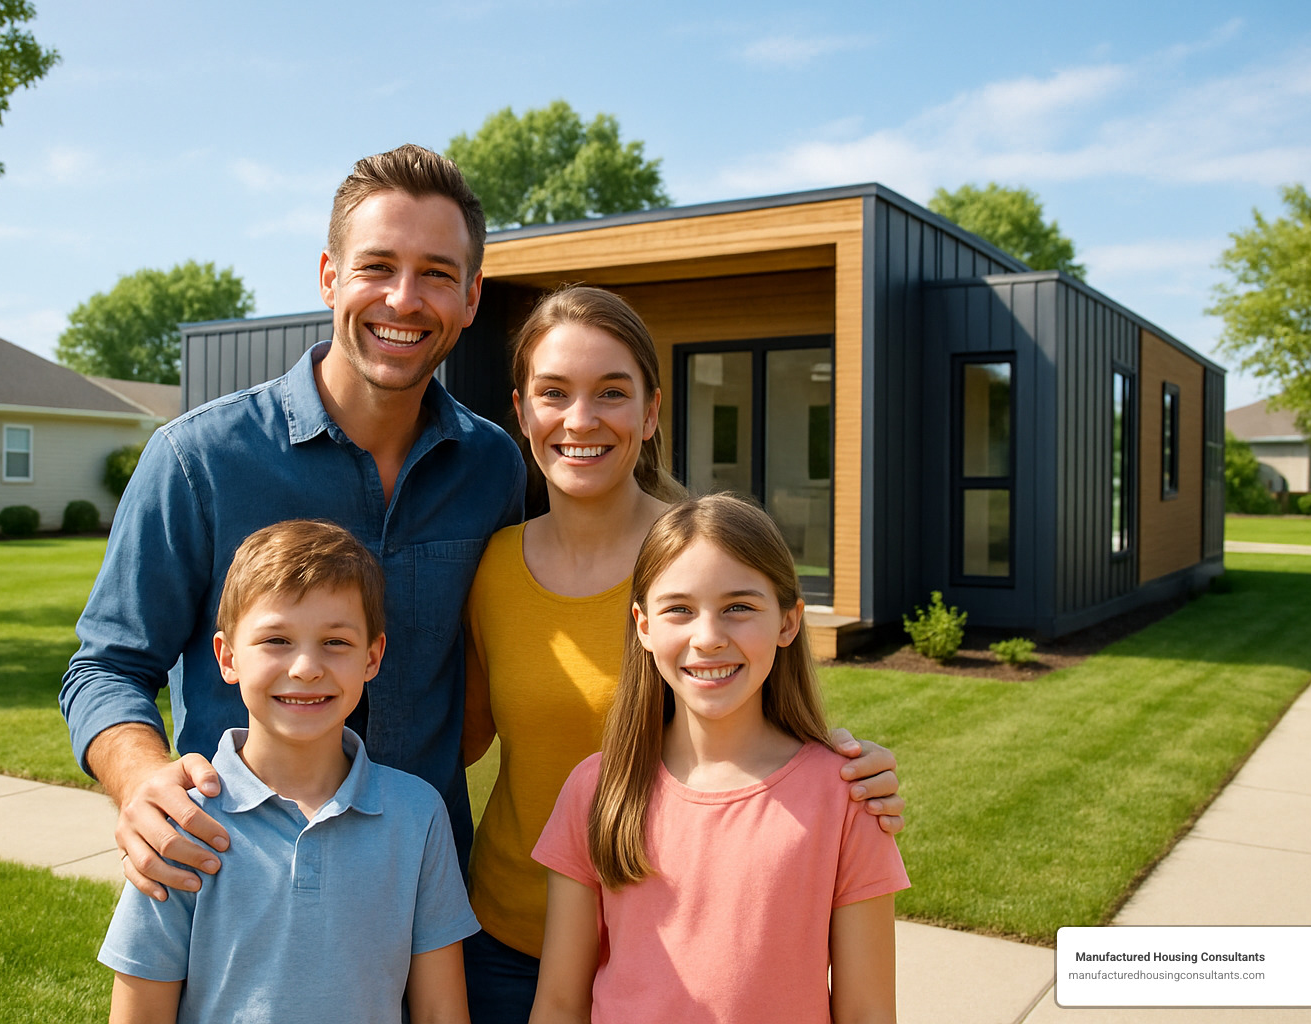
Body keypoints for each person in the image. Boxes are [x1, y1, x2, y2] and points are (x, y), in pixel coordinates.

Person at [60, 144, 526, 901]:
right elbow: (106, 666)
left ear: (472, 298)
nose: (404, 299)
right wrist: (141, 777)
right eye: (377, 266)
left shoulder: (493, 467)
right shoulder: (198, 459)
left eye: (437, 274)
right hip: (237, 890)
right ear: (329, 277)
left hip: (425, 896)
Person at [461, 287, 904, 1022]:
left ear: (651, 412)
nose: (581, 419)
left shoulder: (701, 566)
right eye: (554, 393)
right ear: (523, 411)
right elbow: (461, 739)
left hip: (677, 947)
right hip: (510, 942)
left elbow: (756, 718)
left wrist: (852, 775)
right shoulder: (494, 568)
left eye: (612, 392)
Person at [528, 494, 909, 1024]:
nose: (707, 638)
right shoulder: (596, 791)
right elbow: (559, 1003)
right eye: (679, 609)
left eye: (738, 607)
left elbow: (867, 1011)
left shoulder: (847, 797)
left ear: (788, 622)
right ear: (643, 626)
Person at [99, 519, 477, 1024]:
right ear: (227, 657)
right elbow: (141, 1013)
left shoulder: (418, 815)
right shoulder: (183, 822)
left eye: (335, 642)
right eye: (276, 640)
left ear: (372, 657)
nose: (305, 667)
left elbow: (439, 1010)